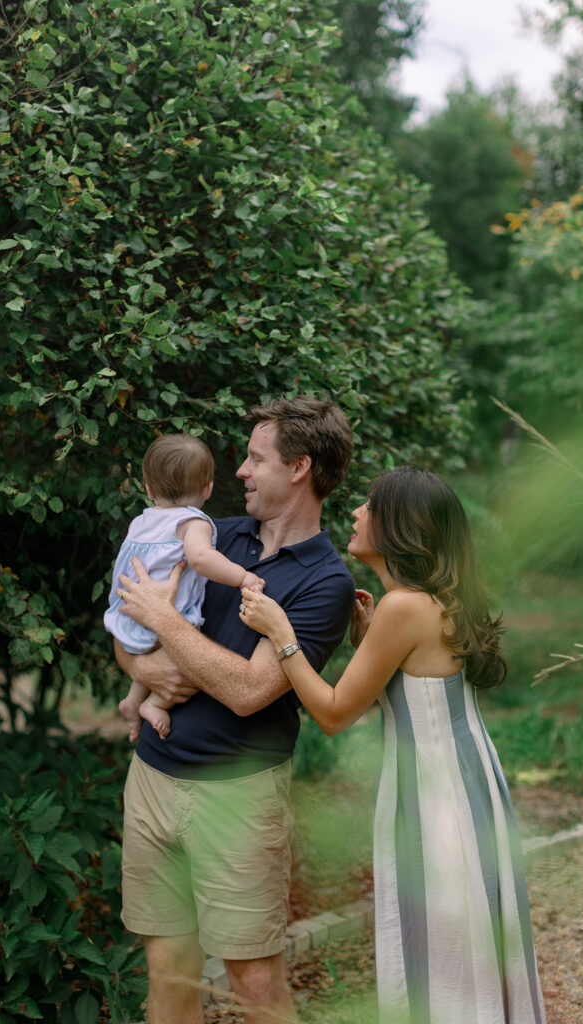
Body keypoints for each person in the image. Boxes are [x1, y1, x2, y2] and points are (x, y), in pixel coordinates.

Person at [239, 466, 547, 1024]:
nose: (356, 513)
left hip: (436, 799)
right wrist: (366, 636)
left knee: (444, 953)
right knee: (463, 943)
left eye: (369, 505)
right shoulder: (426, 601)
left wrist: (283, 636)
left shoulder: (405, 608)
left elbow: (332, 714)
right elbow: (408, 687)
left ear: (400, 526)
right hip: (465, 781)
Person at [113, 396, 356, 1024]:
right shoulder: (212, 536)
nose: (242, 471)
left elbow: (250, 690)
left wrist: (165, 624)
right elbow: (126, 619)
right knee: (169, 974)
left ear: (299, 468)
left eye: (255, 458)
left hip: (237, 796)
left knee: (255, 987)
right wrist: (144, 668)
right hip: (153, 777)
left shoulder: (324, 583)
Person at [104, 433, 264, 741]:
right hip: (160, 617)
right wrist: (243, 577)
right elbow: (202, 559)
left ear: (148, 488)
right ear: (208, 488)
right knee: (185, 646)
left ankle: (132, 701)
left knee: (159, 645)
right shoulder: (193, 522)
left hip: (128, 615)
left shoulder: (142, 520)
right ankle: (154, 703)